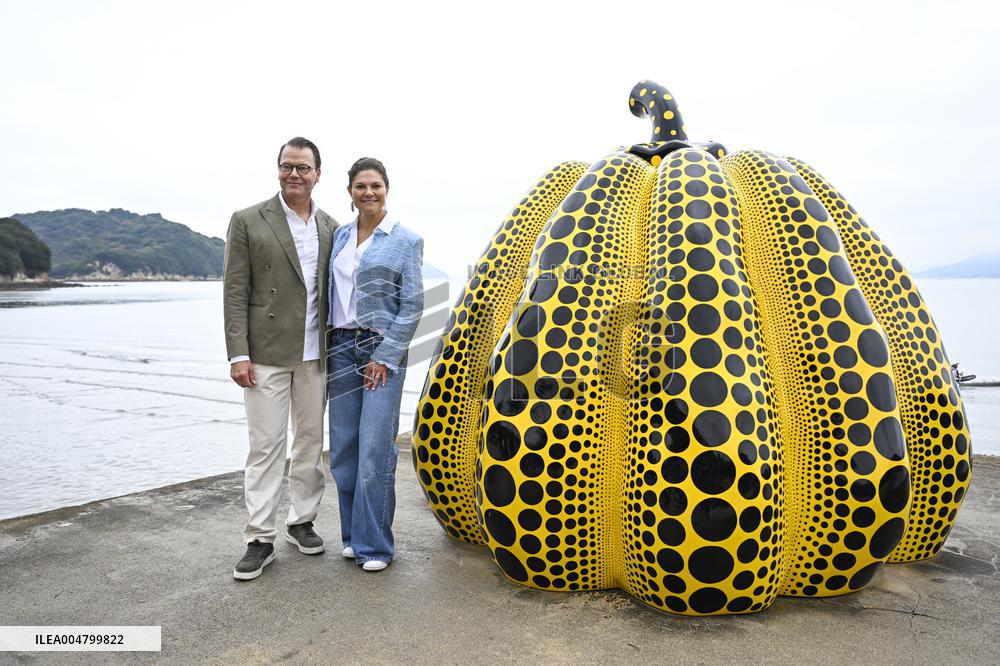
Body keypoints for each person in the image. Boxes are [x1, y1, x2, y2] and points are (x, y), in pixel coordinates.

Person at [223, 137, 339, 580]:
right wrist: (238, 353)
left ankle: (302, 521)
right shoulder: (249, 219)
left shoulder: (332, 225)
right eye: (287, 166)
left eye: (303, 168)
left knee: (310, 443)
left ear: (317, 174)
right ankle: (259, 537)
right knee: (266, 446)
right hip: (265, 354)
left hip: (315, 355)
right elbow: (235, 291)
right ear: (278, 170)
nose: (294, 174)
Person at [326, 157, 424, 572]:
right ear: (349, 191)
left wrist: (385, 357)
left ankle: (376, 546)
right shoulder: (340, 237)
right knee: (344, 451)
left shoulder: (406, 240)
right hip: (339, 348)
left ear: (387, 190)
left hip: (379, 351)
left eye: (376, 185)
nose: (369, 192)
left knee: (374, 451)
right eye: (361, 186)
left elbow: (413, 303)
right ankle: (352, 536)